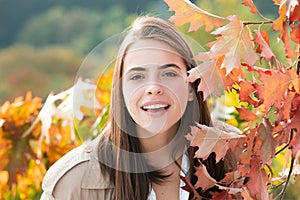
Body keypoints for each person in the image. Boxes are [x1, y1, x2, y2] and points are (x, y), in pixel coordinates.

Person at [41, 16, 236, 200]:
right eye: (137, 77)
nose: (153, 88)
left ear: (192, 85)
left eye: (168, 73)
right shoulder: (75, 182)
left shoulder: (238, 157)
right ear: (121, 91)